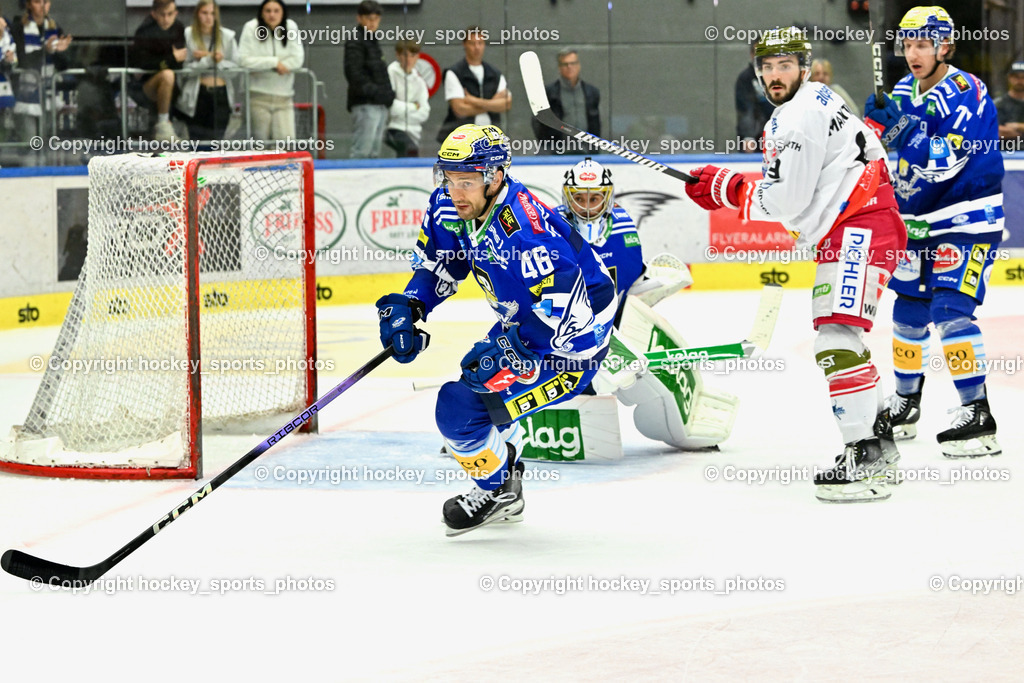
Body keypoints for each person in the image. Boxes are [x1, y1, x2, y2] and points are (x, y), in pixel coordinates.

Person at [685, 27, 907, 503]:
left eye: (784, 65)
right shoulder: (818, 96)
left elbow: (787, 200)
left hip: (859, 226)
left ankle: (864, 453)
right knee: (842, 337)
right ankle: (878, 448)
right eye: (765, 67)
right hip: (862, 224)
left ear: (803, 67)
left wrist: (728, 189)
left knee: (835, 338)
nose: (773, 75)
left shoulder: (796, 115)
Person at [375, 124, 617, 536]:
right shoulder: (452, 205)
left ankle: (500, 489)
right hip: (524, 323)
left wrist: (518, 348)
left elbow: (572, 307)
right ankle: (503, 448)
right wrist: (412, 304)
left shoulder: (526, 229)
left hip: (571, 347)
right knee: (477, 389)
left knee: (458, 410)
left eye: (467, 181)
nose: (455, 191)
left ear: (496, 177)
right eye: (448, 179)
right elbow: (443, 265)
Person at [864, 6, 1004, 459]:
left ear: (945, 45)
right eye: (907, 44)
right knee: (907, 313)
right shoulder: (904, 88)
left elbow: (949, 158)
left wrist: (901, 131)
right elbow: (891, 151)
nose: (913, 53)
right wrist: (873, 130)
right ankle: (906, 403)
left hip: (966, 220)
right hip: (918, 224)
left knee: (950, 311)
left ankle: (977, 412)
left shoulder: (968, 91)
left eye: (923, 44)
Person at [554, 158, 736, 453]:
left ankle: (679, 424)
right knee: (582, 380)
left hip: (612, 329)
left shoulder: (622, 224)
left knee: (640, 374)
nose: (587, 205)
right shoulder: (550, 228)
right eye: (580, 197)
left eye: (595, 197)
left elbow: (631, 278)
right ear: (567, 196)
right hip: (564, 332)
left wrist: (656, 281)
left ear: (608, 196)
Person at [238, 0, 304, 141]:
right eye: (268, 11)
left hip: (284, 96)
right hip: (258, 96)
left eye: (276, 11)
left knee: (286, 141)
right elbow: (244, 60)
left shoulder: (291, 27)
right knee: (261, 143)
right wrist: (274, 63)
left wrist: (269, 65)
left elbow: (298, 59)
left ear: (283, 13)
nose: (272, 15)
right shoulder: (250, 27)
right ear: (262, 13)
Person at [10, 0, 71, 146]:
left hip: (49, 92)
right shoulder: (18, 28)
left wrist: (61, 52)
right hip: (25, 94)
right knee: (29, 141)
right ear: (29, 4)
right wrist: (46, 50)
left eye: (46, 2)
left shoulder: (54, 28)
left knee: (48, 139)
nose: (43, 6)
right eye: (38, 2)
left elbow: (65, 65)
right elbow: (22, 60)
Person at [176, 0, 238, 142]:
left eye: (212, 13)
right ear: (197, 14)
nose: (208, 17)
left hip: (221, 95)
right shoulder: (188, 34)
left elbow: (236, 68)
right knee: (197, 143)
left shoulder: (227, 36)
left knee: (217, 143)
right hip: (198, 95)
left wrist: (215, 59)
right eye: (204, 13)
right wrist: (209, 60)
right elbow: (184, 70)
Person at [435, 26, 511, 143]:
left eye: (480, 43)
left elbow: (506, 104)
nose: (477, 47)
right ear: (464, 45)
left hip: (491, 139)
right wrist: (492, 104)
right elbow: (460, 110)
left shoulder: (495, 73)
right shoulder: (454, 72)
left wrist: (473, 100)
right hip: (462, 139)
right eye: (472, 43)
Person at [129, 0, 185, 142]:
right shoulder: (145, 31)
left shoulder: (178, 28)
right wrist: (171, 58)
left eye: (170, 14)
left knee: (170, 75)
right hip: (145, 86)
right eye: (162, 15)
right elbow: (143, 63)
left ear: (176, 13)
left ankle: (172, 123)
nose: (166, 19)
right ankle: (163, 123)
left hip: (174, 87)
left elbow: (181, 61)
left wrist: (173, 59)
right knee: (167, 75)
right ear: (154, 14)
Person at [531, 48, 600, 154]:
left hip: (586, 151)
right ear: (559, 67)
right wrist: (548, 145)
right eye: (565, 64)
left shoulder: (591, 92)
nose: (569, 67)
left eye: (573, 63)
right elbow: (537, 121)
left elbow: (595, 122)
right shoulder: (549, 93)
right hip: (556, 152)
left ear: (579, 65)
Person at [383, 39, 429, 157]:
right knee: (410, 150)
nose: (409, 59)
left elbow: (424, 113)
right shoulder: (390, 73)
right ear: (397, 55)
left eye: (412, 55)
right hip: (393, 129)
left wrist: (402, 109)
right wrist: (414, 106)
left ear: (418, 57)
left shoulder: (420, 82)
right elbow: (391, 108)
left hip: (415, 133)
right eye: (405, 55)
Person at [734, 38, 774, 153]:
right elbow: (745, 109)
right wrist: (748, 136)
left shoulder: (777, 76)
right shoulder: (745, 78)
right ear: (752, 55)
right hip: (756, 136)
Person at [994, 61, 1024, 151]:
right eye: (1016, 77)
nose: (1020, 81)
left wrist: (1017, 127)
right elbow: (994, 131)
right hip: (1006, 154)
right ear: (1010, 78)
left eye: (1023, 77)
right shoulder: (998, 103)